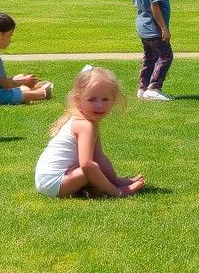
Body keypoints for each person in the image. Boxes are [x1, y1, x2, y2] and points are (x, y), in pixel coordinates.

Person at [34, 65, 145, 198]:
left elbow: (100, 158)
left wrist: (116, 180)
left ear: (114, 100)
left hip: (48, 180)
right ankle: (111, 190)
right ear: (78, 100)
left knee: (96, 166)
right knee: (91, 169)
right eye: (92, 99)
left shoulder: (85, 121)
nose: (99, 105)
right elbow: (87, 165)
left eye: (105, 99)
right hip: (54, 183)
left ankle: (100, 186)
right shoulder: (85, 125)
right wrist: (117, 191)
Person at [133, 0, 173, 101]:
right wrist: (163, 28)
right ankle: (154, 87)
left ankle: (143, 88)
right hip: (153, 27)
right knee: (165, 56)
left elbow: (136, 2)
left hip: (143, 26)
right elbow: (154, 6)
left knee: (150, 57)